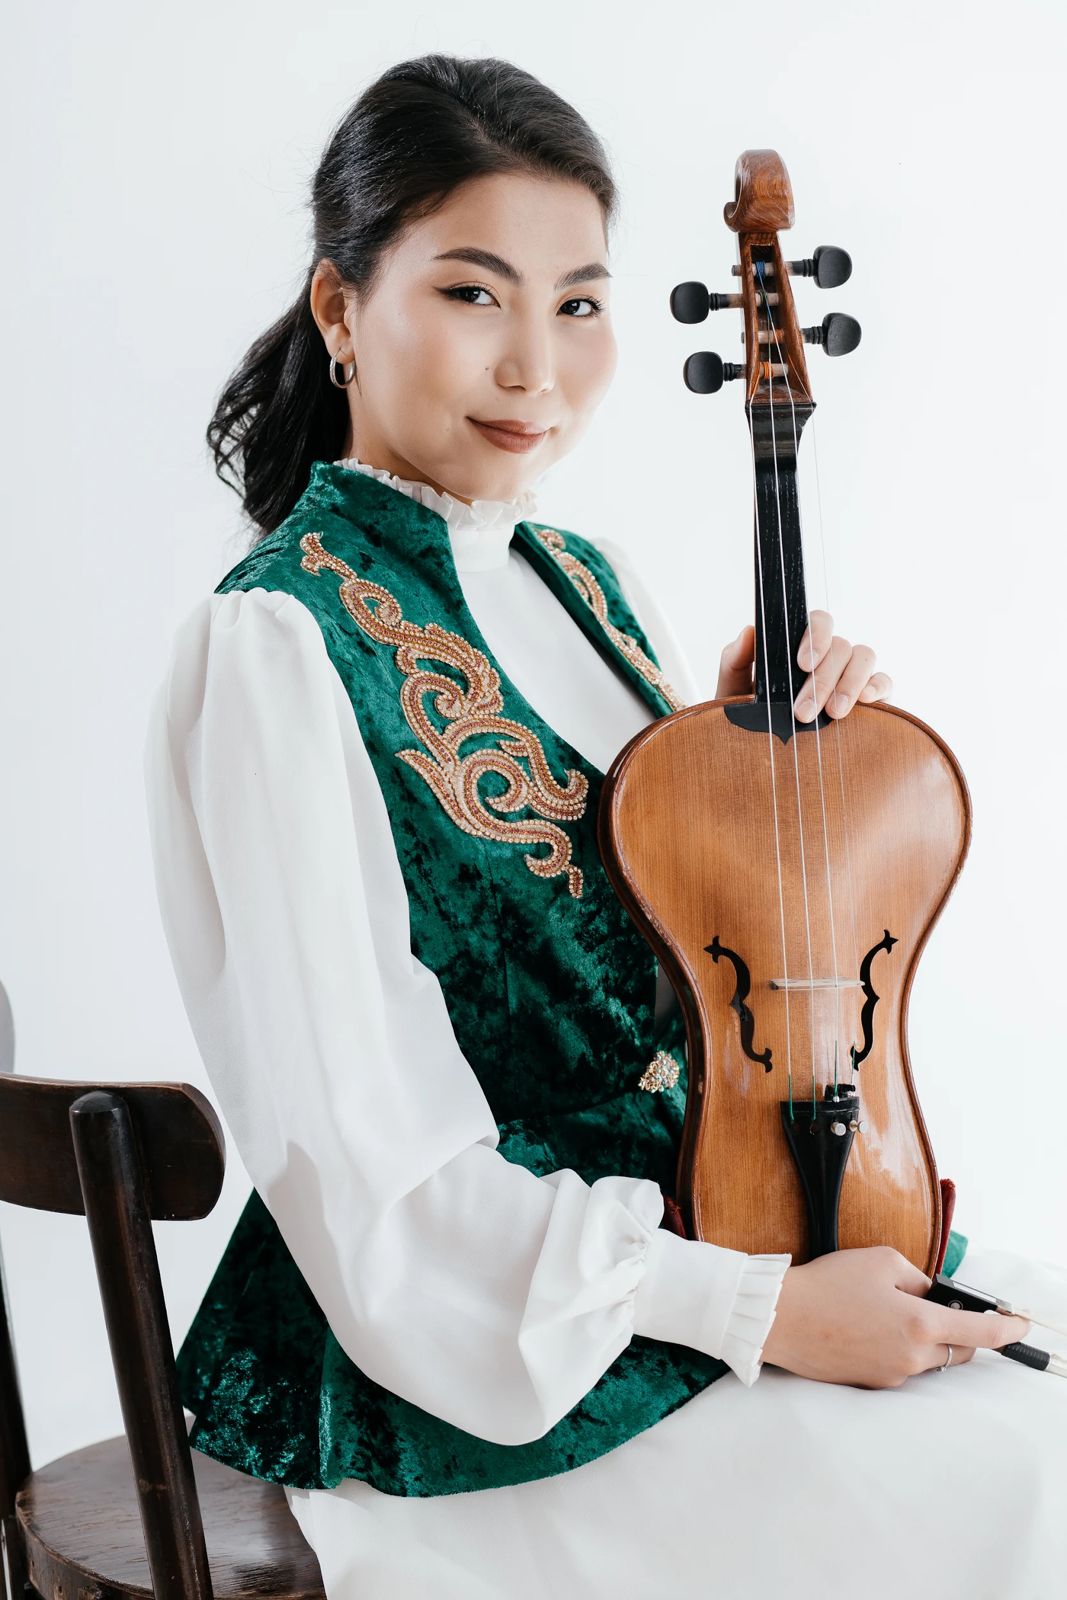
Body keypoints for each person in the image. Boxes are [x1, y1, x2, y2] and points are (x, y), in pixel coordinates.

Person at [142, 52, 1067, 1600]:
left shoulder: (587, 580)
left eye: (578, 302)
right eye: (473, 292)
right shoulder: (276, 643)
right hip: (471, 1359)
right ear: (340, 309)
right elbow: (373, 1169)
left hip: (706, 1238)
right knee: (1027, 1477)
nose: (536, 366)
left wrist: (758, 767)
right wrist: (763, 1315)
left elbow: (665, 961)